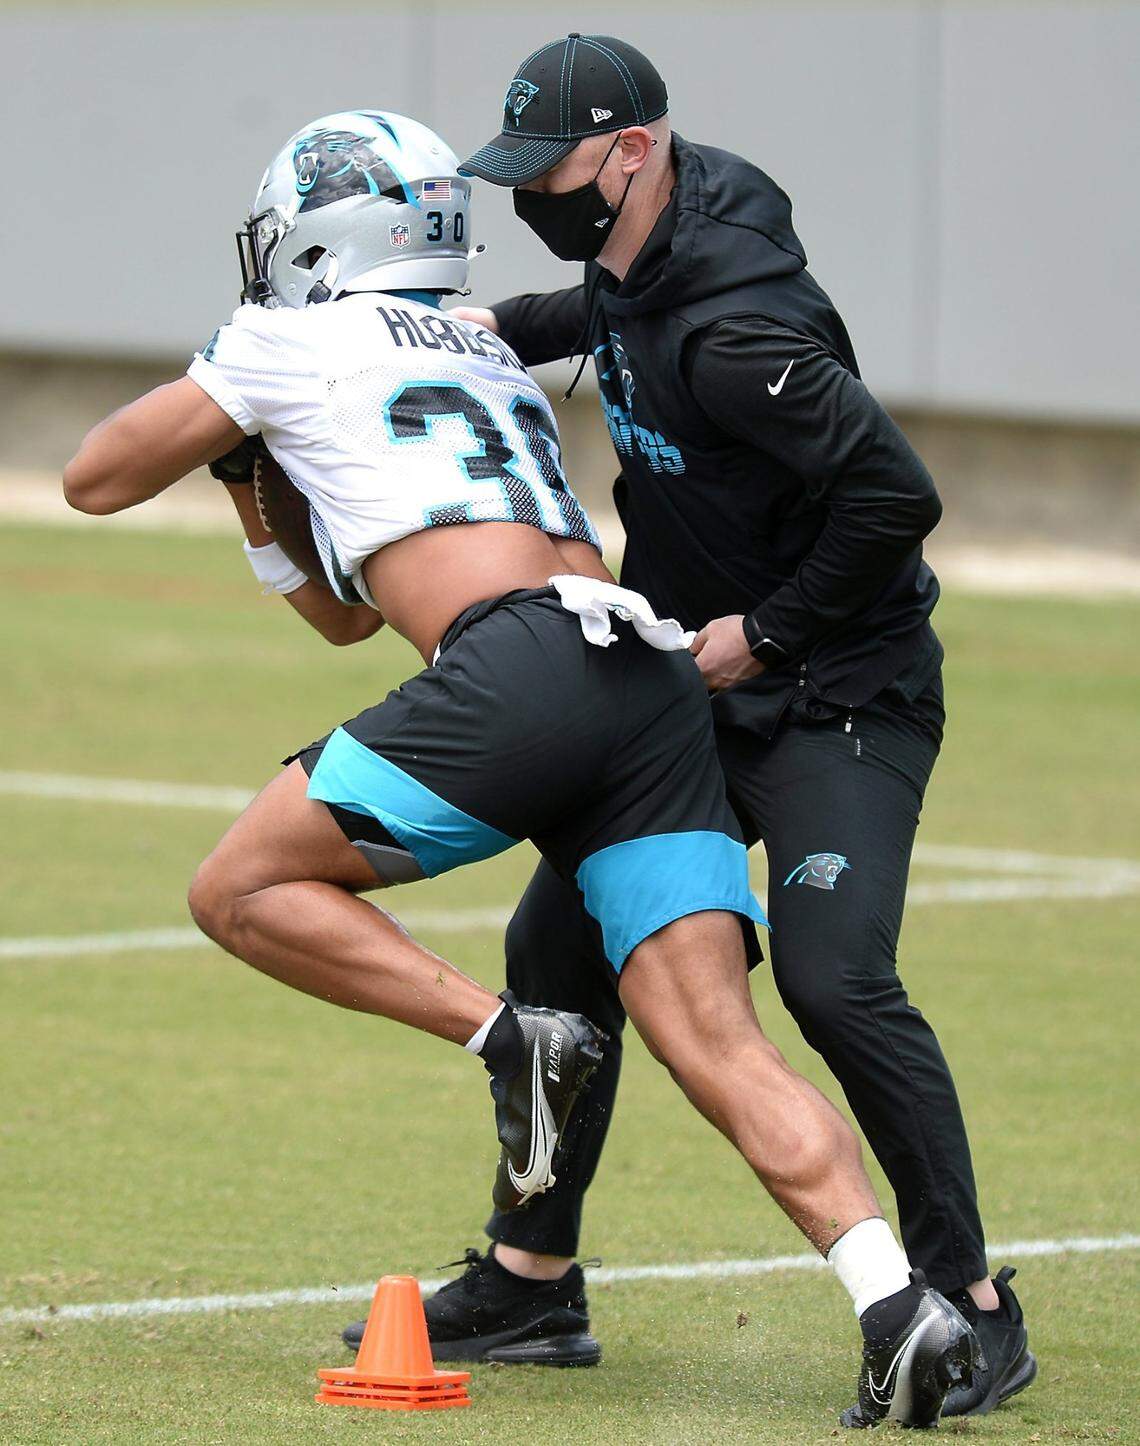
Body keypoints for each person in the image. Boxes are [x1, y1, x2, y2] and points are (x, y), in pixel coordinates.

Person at [63, 108, 976, 1429]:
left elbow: (94, 476)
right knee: (719, 1039)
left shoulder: (283, 336)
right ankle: (900, 1305)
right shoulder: (478, 343)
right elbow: (342, 610)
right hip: (647, 671)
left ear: (322, 232)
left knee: (239, 888)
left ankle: (514, 1040)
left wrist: (226, 406)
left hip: (524, 668)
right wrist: (251, 482)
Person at [343, 36, 1035, 1425]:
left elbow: (896, 497)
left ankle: (968, 1299)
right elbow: (600, 310)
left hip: (841, 691)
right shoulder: (642, 251)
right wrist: (480, 333)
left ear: (636, 152)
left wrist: (766, 633)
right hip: (689, 689)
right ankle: (535, 1280)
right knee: (555, 945)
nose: (539, 192)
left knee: (834, 980)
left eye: (553, 172)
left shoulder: (742, 327)